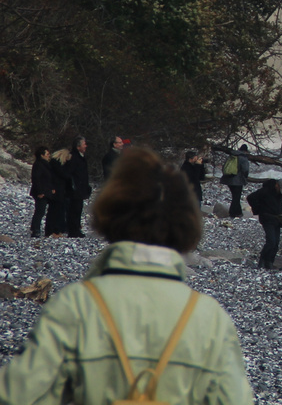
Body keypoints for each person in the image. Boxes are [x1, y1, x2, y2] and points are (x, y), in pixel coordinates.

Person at [0, 145, 253, 404]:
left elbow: (19, 395)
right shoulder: (209, 318)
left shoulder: (76, 306)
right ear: (186, 227)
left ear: (108, 219)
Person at [246, 178, 282, 270]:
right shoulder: (265, 191)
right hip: (267, 219)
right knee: (271, 241)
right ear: (277, 185)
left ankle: (269, 262)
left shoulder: (279, 194)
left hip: (277, 219)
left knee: (276, 243)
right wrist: (258, 210)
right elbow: (250, 198)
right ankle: (262, 261)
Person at [64, 136, 91, 238]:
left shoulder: (81, 157)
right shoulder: (74, 157)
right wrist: (73, 185)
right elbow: (69, 173)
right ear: (78, 146)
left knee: (78, 210)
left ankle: (76, 229)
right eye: (84, 144)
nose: (86, 146)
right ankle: (73, 230)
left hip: (80, 188)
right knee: (74, 210)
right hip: (75, 189)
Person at [44, 149, 71, 237]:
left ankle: (54, 230)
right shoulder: (56, 164)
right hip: (56, 190)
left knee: (56, 211)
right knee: (54, 211)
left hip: (58, 190)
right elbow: (64, 175)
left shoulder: (53, 163)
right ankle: (51, 231)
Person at [28, 146, 54, 238]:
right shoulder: (39, 164)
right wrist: (40, 192)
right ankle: (35, 230)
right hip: (40, 192)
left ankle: (36, 228)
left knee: (41, 211)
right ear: (42, 155)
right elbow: (36, 179)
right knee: (40, 211)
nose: (49, 155)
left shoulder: (45, 164)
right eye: (47, 154)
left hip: (45, 191)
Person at [222, 144, 249, 217]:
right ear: (245, 151)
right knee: (236, 197)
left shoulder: (232, 155)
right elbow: (245, 169)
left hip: (228, 179)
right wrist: (245, 177)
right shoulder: (243, 158)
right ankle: (233, 213)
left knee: (235, 196)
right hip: (238, 181)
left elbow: (224, 166)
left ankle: (238, 212)